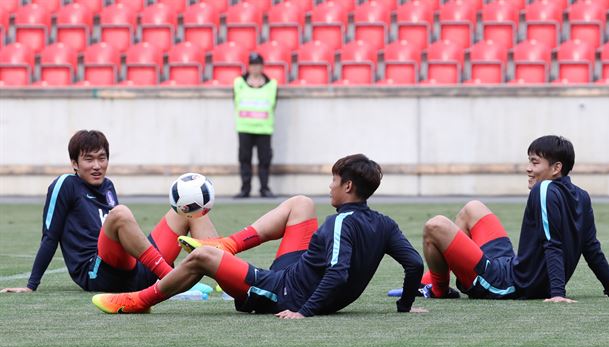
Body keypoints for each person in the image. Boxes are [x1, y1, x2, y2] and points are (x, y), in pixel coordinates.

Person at [92, 154, 426, 317]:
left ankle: (139, 300)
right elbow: (413, 264)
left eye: (335, 181)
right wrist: (404, 306)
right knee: (301, 203)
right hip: (295, 273)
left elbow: (338, 272)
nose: (331, 186)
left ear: (348, 187)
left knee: (201, 257)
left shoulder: (340, 224)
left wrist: (303, 312)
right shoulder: (385, 224)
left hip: (281, 293)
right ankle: (228, 245)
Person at [419, 135, 609, 302]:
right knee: (473, 208)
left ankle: (438, 289)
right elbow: (592, 247)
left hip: (508, 284)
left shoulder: (544, 189)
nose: (528, 168)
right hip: (512, 266)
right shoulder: (582, 195)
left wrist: (557, 293)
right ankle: (428, 282)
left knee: (435, 225)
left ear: (556, 168)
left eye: (534, 162)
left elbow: (554, 244)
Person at [0, 130, 217, 294]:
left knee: (190, 209)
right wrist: (31, 285)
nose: (97, 165)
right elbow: (50, 236)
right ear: (74, 163)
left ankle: (226, 280)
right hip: (96, 272)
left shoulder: (108, 186)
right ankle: (172, 280)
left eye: (101, 158)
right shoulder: (66, 184)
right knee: (120, 213)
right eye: (89, 159)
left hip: (132, 270)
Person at [233, 52, 278, 198]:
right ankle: (245, 189)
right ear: (249, 66)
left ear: (262, 66)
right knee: (244, 159)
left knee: (264, 161)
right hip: (244, 128)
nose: (255, 68)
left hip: (264, 129)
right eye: (252, 65)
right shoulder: (239, 83)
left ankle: (264, 188)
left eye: (257, 65)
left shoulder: (272, 84)